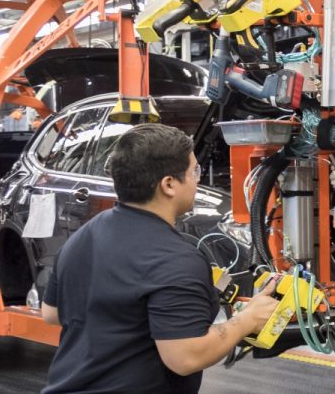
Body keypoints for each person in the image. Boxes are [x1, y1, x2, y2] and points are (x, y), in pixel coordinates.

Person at [41, 123, 279, 394]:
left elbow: (53, 313)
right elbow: (185, 357)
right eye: (194, 172)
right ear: (168, 184)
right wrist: (247, 320)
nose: (197, 179)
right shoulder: (175, 258)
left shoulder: (83, 236)